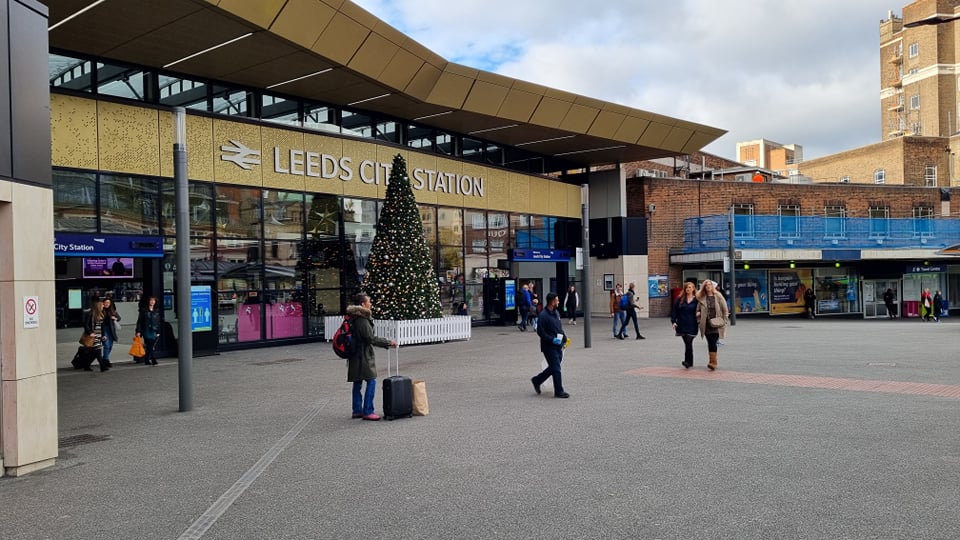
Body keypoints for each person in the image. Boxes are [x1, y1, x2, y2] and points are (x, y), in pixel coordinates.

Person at [346, 293, 397, 421]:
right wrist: (388, 342)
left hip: (354, 354)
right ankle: (368, 411)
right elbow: (370, 338)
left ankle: (357, 410)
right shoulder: (362, 319)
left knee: (357, 382)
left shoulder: (353, 317)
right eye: (369, 301)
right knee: (371, 380)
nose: (370, 303)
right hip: (363, 355)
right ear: (363, 304)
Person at [530, 292, 569, 398]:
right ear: (552, 302)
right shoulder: (543, 315)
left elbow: (559, 328)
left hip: (558, 345)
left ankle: (537, 380)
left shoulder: (556, 313)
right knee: (556, 368)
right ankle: (559, 391)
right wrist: (551, 340)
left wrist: (564, 338)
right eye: (557, 300)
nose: (558, 302)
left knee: (553, 367)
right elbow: (540, 332)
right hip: (548, 346)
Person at [696, 280, 729, 371]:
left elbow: (725, 309)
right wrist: (699, 319)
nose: (708, 286)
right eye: (706, 285)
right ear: (704, 287)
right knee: (710, 342)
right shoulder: (702, 298)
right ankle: (712, 361)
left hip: (717, 323)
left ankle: (713, 362)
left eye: (710, 285)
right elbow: (697, 310)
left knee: (713, 342)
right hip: (706, 324)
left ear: (712, 286)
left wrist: (725, 321)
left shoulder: (718, 296)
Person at [671, 281, 699, 368]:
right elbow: (674, 311)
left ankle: (687, 361)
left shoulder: (697, 300)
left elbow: (702, 309)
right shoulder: (680, 299)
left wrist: (699, 313)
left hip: (692, 324)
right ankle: (690, 361)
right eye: (686, 287)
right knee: (687, 343)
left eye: (690, 287)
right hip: (682, 324)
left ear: (693, 289)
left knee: (688, 342)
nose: (688, 289)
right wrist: (673, 322)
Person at [82, 300, 109, 372]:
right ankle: (102, 366)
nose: (103, 306)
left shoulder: (101, 314)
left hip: (98, 334)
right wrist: (90, 332)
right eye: (102, 305)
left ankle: (86, 365)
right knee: (98, 350)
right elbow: (86, 324)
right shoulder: (92, 314)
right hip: (93, 335)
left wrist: (103, 335)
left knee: (95, 351)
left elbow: (102, 326)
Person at [135, 296, 162, 365]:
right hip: (146, 329)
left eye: (154, 300)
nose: (152, 302)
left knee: (151, 345)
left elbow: (158, 322)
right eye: (151, 300)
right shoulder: (144, 310)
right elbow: (140, 321)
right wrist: (138, 331)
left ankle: (147, 359)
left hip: (154, 330)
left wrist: (158, 331)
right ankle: (153, 359)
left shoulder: (156, 310)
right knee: (149, 344)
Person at [101, 297, 121, 366]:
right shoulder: (101, 310)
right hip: (104, 329)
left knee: (110, 345)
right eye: (105, 302)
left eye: (108, 303)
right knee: (106, 344)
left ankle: (105, 358)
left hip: (111, 329)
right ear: (103, 303)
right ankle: (106, 360)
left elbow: (119, 318)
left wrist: (115, 318)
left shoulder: (112, 310)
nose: (107, 304)